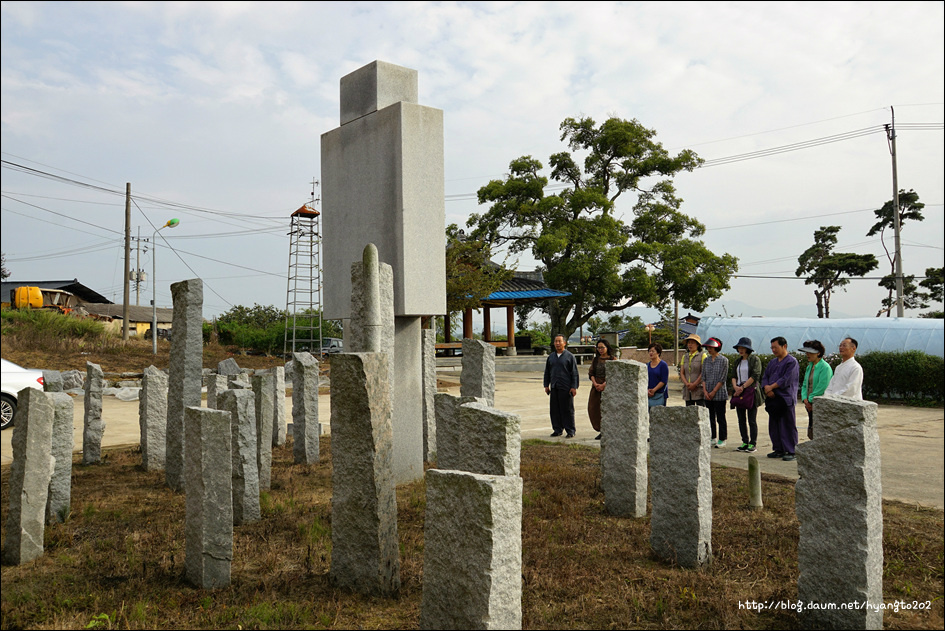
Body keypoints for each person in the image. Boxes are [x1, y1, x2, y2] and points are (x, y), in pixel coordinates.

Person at [761, 336, 800, 461]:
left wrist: (771, 387)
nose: (773, 350)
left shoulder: (791, 362)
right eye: (772, 348)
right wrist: (766, 387)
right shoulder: (772, 362)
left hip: (785, 398)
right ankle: (778, 449)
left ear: (784, 346)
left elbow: (786, 379)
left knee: (787, 425)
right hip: (773, 399)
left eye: (775, 347)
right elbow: (765, 376)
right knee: (774, 425)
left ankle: (791, 450)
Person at [730, 337, 763, 453]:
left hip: (750, 392)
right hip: (739, 391)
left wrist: (742, 387)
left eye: (743, 348)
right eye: (739, 348)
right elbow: (733, 375)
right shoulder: (738, 361)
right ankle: (744, 441)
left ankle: (753, 443)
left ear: (748, 349)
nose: (741, 350)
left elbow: (755, 375)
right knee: (741, 419)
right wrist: (735, 387)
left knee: (752, 419)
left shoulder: (755, 360)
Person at [544, 334, 579, 438]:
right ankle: (557, 429)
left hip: (566, 387)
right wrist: (546, 385)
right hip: (554, 386)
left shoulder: (570, 356)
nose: (557, 343)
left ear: (564, 343)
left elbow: (574, 373)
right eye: (556, 341)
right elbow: (547, 372)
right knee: (554, 410)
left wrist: (574, 387)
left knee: (567, 410)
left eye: (559, 341)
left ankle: (570, 430)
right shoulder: (551, 357)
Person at [799, 340, 833, 439]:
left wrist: (810, 400)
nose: (807, 354)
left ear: (818, 353)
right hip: (809, 404)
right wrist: (805, 399)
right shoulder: (810, 366)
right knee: (811, 429)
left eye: (810, 352)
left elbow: (822, 387)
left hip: (819, 404)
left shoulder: (825, 367)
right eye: (806, 352)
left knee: (820, 432)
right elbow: (805, 384)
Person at [701, 337, 729, 448]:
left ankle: (722, 438)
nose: (709, 349)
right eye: (708, 347)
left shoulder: (724, 360)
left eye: (711, 347)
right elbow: (703, 377)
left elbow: (722, 378)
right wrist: (705, 391)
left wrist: (713, 391)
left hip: (720, 394)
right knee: (710, 417)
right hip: (707, 393)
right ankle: (712, 437)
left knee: (720, 417)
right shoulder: (706, 360)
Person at [587, 338, 615, 440]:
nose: (600, 350)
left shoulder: (613, 360)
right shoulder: (595, 360)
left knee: (608, 410)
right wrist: (595, 384)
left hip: (608, 387)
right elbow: (591, 373)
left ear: (607, 347)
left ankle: (609, 430)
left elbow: (615, 375)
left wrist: (604, 384)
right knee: (594, 408)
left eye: (602, 347)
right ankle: (600, 430)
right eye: (598, 348)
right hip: (596, 387)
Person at [679, 334, 706, 407]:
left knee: (700, 409)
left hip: (699, 388)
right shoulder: (685, 356)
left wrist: (694, 384)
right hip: (687, 389)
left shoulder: (702, 355)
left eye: (692, 343)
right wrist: (687, 383)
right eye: (689, 343)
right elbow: (682, 372)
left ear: (697, 345)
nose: (690, 345)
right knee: (688, 410)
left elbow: (703, 372)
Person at [646, 342, 669, 408]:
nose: (651, 353)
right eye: (649, 351)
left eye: (653, 351)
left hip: (659, 394)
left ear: (658, 353)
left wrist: (654, 390)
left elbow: (664, 380)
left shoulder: (663, 365)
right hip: (648, 394)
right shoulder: (647, 365)